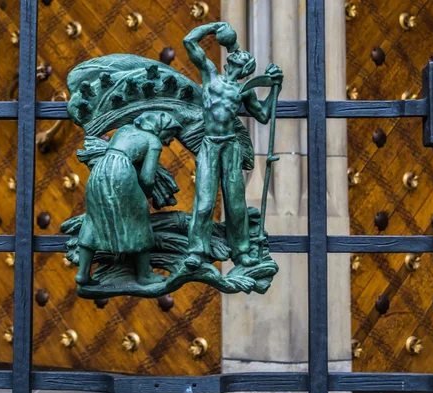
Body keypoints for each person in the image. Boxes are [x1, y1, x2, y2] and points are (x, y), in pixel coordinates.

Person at [183, 22, 283, 269]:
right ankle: (197, 251)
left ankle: (241, 252)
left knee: (236, 205)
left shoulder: (243, 91)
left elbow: (262, 115)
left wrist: (274, 91)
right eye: (236, 53)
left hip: (230, 147)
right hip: (209, 146)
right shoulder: (209, 75)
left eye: (241, 56)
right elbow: (188, 42)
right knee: (204, 201)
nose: (236, 54)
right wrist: (213, 26)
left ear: (244, 67)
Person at [76, 111, 182, 286]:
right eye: (170, 134)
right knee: (140, 219)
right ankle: (144, 275)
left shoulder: (124, 129)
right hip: (122, 174)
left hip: (100, 172)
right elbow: (148, 178)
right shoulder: (153, 142)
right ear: (159, 128)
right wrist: (144, 195)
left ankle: (82, 273)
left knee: (93, 219)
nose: (170, 140)